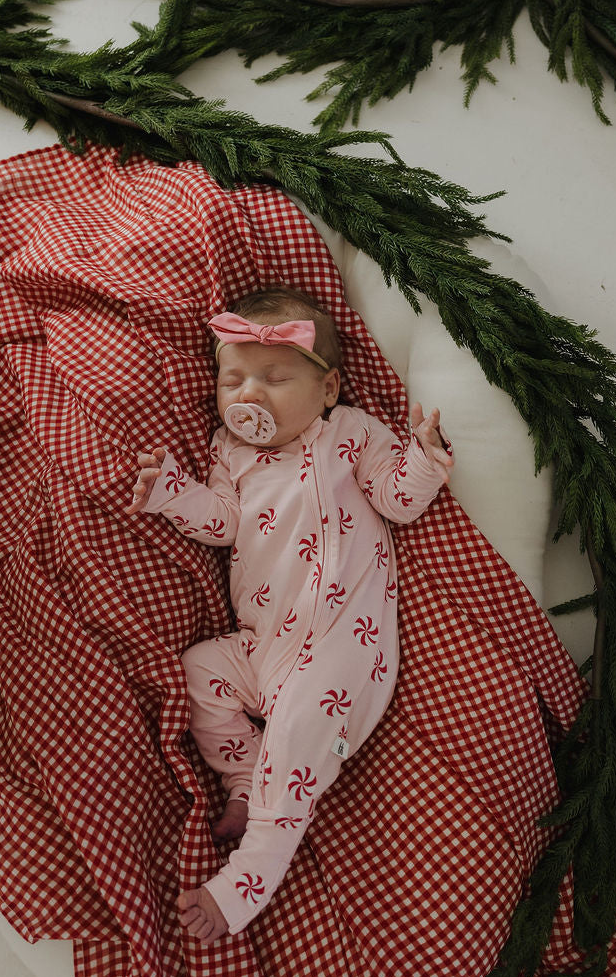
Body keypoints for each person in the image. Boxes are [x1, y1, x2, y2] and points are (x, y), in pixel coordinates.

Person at [128, 286, 453, 942]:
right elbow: (222, 522)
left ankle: (250, 878)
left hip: (342, 652)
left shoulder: (350, 434)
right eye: (233, 379)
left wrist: (423, 458)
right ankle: (244, 775)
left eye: (275, 377)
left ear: (328, 388)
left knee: (299, 731)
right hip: (263, 646)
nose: (250, 395)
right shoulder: (231, 450)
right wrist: (172, 494)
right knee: (197, 671)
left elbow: (396, 499)